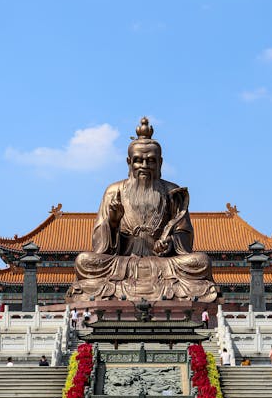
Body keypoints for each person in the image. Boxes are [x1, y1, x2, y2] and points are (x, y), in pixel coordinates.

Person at [67, 117, 217, 303]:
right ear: (129, 162)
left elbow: (184, 234)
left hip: (164, 264)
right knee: (83, 261)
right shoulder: (114, 191)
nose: (144, 166)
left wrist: (170, 243)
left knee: (202, 262)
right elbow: (100, 247)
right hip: (122, 263)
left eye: (151, 161)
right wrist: (113, 222)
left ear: (160, 163)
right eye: (139, 161)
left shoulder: (172, 191)